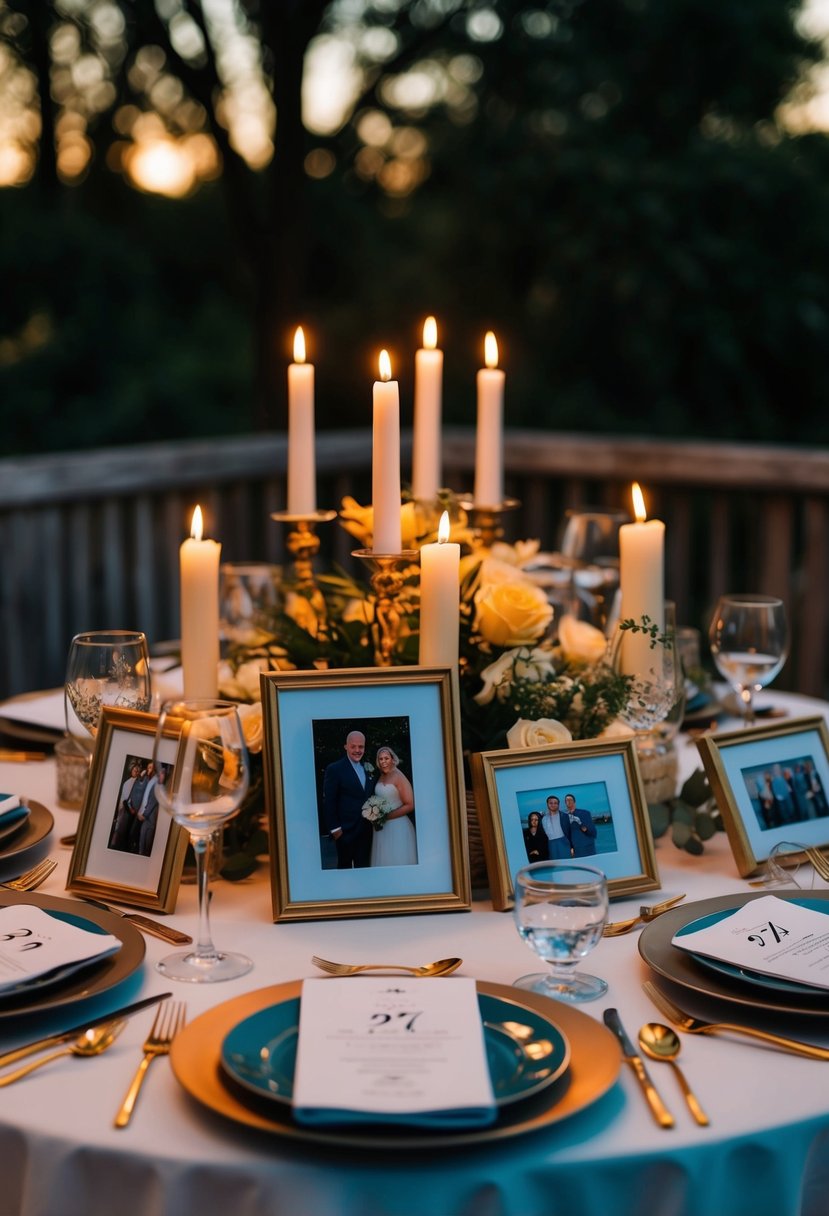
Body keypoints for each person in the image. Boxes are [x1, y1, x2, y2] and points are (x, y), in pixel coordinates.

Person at [322, 730, 375, 869]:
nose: (357, 750)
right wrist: (336, 830)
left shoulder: (367, 768)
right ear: (346, 746)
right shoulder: (335, 769)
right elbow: (329, 802)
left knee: (363, 868)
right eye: (353, 746)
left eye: (361, 747)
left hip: (366, 831)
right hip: (345, 831)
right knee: (344, 870)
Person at [370, 746, 417, 867]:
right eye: (381, 759)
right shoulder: (381, 776)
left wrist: (386, 816)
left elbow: (410, 804)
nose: (384, 761)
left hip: (398, 827)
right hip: (381, 828)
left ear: (392, 759)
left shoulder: (399, 776)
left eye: (386, 758)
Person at [110, 761, 141, 850]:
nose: (136, 772)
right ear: (132, 771)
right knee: (120, 831)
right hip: (125, 811)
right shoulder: (128, 783)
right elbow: (125, 800)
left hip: (132, 811)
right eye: (135, 770)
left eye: (138, 771)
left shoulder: (138, 782)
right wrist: (130, 810)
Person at [138, 763, 164, 856]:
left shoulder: (156, 782)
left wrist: (143, 814)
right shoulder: (148, 781)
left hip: (149, 819)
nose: (149, 770)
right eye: (148, 767)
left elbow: (153, 800)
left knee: (145, 849)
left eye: (152, 768)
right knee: (142, 847)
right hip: (146, 817)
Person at [564, 792, 598, 857]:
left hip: (588, 847)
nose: (568, 801)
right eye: (566, 800)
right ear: (565, 803)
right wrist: (570, 847)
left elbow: (593, 832)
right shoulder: (565, 817)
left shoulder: (585, 813)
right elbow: (567, 834)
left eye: (570, 800)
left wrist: (582, 825)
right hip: (576, 849)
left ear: (574, 802)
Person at [540, 795, 572, 859]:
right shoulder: (544, 819)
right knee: (555, 865)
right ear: (547, 804)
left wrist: (572, 847)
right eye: (551, 803)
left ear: (558, 805)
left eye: (555, 803)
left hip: (564, 842)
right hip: (551, 844)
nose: (553, 805)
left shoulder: (565, 816)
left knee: (567, 863)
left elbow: (571, 832)